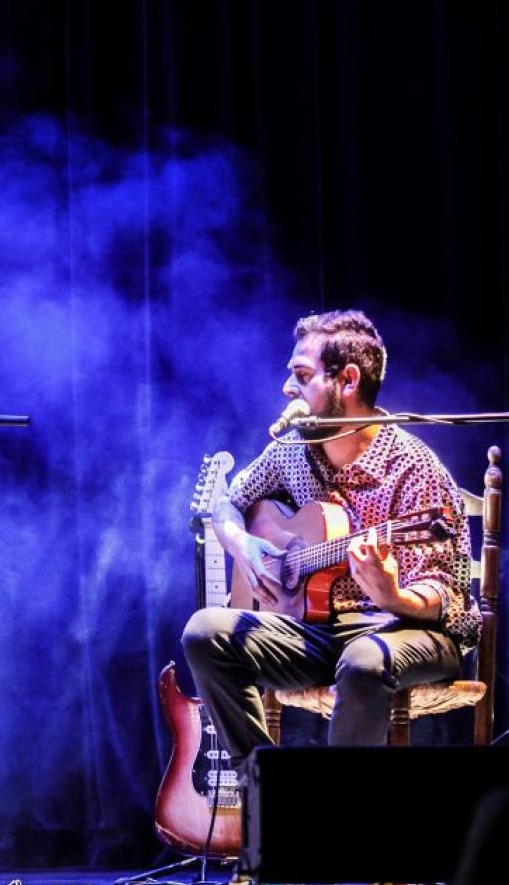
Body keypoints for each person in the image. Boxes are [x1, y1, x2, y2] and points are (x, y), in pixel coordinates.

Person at [182, 309, 475, 761]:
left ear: (349, 381)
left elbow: (443, 598)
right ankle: (266, 790)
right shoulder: (293, 453)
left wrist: (392, 594)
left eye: (302, 375)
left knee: (362, 660)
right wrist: (243, 547)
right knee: (205, 633)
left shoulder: (414, 468)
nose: (286, 388)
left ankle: (336, 815)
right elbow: (227, 504)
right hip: (318, 632)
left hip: (407, 632)